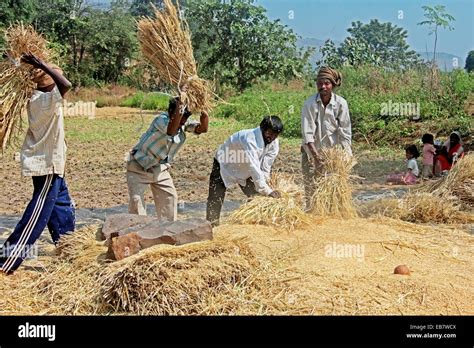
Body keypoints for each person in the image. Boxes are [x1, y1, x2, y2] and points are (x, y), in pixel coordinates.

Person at [0, 52, 74, 274]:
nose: (56, 73)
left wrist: (17, 62)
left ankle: (70, 250)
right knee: (38, 213)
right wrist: (40, 64)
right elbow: (66, 84)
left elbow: (58, 81)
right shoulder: (46, 99)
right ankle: (8, 259)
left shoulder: (36, 96)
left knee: (61, 207)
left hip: (51, 163)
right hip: (48, 163)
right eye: (52, 73)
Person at [126, 97, 208, 221]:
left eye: (185, 117)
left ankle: (166, 230)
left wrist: (204, 111)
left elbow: (203, 128)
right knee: (136, 201)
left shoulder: (183, 124)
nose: (183, 121)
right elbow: (170, 131)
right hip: (138, 166)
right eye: (181, 116)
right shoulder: (161, 120)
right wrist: (180, 106)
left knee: (170, 198)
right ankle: (137, 232)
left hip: (160, 169)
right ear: (171, 111)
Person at [206, 116, 283, 227]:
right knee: (215, 198)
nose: (272, 137)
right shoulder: (250, 139)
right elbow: (254, 167)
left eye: (276, 135)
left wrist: (267, 185)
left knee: (257, 197)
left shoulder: (274, 143)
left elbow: (266, 167)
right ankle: (211, 227)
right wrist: (268, 191)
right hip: (225, 163)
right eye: (270, 134)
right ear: (263, 129)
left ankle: (255, 225)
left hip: (246, 168)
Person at [301, 66, 352, 210]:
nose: (323, 86)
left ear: (333, 85)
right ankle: (313, 213)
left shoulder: (341, 104)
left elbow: (345, 133)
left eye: (326, 83)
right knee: (312, 188)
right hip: (312, 153)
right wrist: (316, 158)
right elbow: (307, 134)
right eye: (320, 83)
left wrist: (345, 156)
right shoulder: (309, 104)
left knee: (334, 189)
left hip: (333, 155)